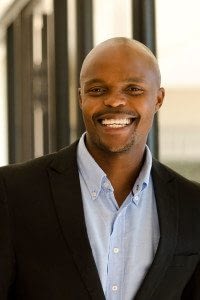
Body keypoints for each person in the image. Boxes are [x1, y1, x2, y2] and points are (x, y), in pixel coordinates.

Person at [0, 37, 200, 300]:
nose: (115, 101)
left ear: (158, 99)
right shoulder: (13, 191)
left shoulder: (192, 204)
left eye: (133, 89)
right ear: (80, 97)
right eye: (97, 90)